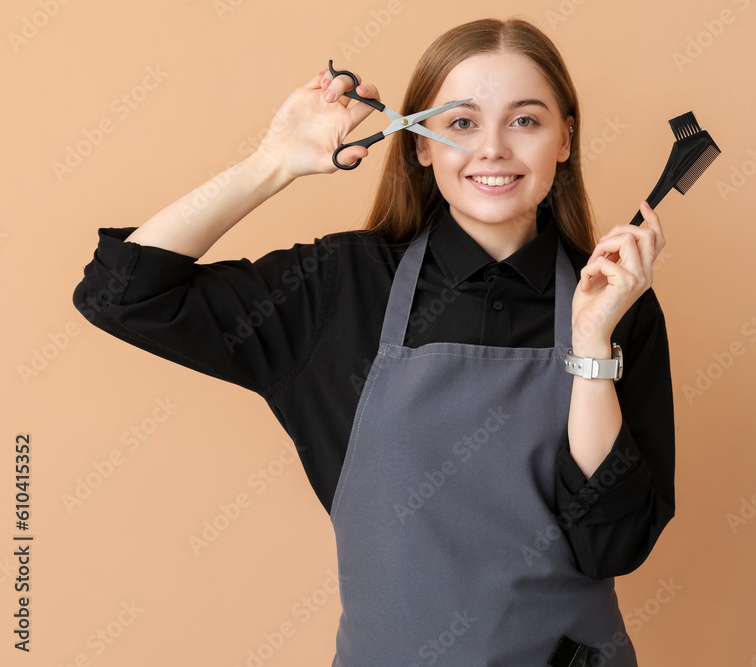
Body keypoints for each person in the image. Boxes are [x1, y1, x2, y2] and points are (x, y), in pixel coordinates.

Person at [72, 16, 675, 667]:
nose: (494, 148)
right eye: (461, 122)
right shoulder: (341, 289)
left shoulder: (616, 308)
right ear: (419, 144)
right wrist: (271, 163)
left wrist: (590, 345)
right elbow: (122, 294)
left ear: (564, 139)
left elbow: (612, 548)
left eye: (525, 120)